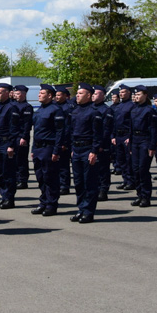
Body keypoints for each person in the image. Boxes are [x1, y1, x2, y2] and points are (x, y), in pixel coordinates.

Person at [69, 83, 103, 223]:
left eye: (80, 93)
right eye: (77, 93)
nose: (77, 95)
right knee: (78, 182)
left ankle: (88, 212)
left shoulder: (94, 112)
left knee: (89, 182)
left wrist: (94, 151)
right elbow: (72, 132)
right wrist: (72, 148)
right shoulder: (75, 111)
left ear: (89, 95)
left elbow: (98, 134)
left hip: (88, 150)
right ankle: (81, 209)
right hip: (76, 150)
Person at [31, 84, 65, 216]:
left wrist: (56, 151)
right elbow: (37, 131)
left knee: (50, 177)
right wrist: (33, 148)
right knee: (40, 177)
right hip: (38, 148)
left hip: (49, 147)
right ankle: (43, 202)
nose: (39, 95)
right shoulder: (39, 110)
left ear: (50, 95)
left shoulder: (55, 110)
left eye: (42, 93)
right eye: (39, 93)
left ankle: (51, 204)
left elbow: (60, 132)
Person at [0, 83, 20, 210]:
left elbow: (14, 128)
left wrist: (11, 145)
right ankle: (3, 196)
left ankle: (9, 199)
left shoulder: (12, 107)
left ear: (8, 93)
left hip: (7, 143)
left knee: (8, 172)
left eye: (1, 92)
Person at [129, 85, 157, 207]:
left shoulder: (149, 110)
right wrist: (130, 144)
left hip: (145, 140)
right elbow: (130, 128)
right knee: (135, 170)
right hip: (135, 141)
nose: (136, 96)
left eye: (139, 94)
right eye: (135, 94)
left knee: (143, 169)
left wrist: (152, 146)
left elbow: (153, 129)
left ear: (145, 95)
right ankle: (139, 195)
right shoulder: (134, 109)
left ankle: (146, 196)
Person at [108, 84, 135, 188]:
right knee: (121, 159)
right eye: (120, 92)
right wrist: (113, 136)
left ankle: (131, 181)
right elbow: (114, 123)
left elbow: (132, 123)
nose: (121, 94)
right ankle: (125, 179)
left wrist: (130, 136)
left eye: (123, 92)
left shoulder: (132, 105)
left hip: (126, 135)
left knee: (128, 159)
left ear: (129, 93)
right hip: (118, 135)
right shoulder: (118, 106)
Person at [91, 85, 111, 201]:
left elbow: (106, 129)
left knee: (103, 168)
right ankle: (95, 188)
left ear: (103, 96)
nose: (93, 95)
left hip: (102, 145)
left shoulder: (106, 110)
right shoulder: (90, 108)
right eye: (93, 93)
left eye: (96, 93)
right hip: (91, 143)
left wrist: (101, 145)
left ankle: (103, 190)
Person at [13, 85, 34, 190]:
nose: (15, 95)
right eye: (15, 93)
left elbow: (27, 124)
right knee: (14, 159)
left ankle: (23, 180)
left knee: (21, 159)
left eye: (17, 93)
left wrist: (24, 137)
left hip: (21, 136)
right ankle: (16, 178)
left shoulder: (27, 107)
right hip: (14, 135)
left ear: (23, 94)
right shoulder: (13, 105)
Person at [54, 85, 74, 195]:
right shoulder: (54, 106)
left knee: (63, 165)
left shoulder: (68, 107)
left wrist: (64, 142)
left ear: (65, 96)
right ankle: (58, 184)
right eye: (56, 95)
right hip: (55, 141)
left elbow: (67, 127)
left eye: (59, 95)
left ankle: (64, 186)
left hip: (64, 141)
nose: (57, 97)